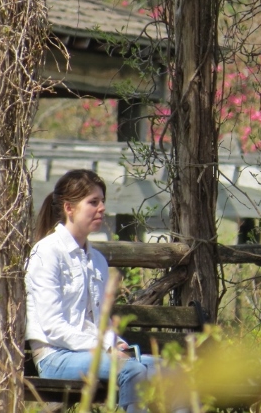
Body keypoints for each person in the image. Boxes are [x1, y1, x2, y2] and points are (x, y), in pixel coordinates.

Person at [24, 169, 157, 412]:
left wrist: (116, 344)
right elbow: (53, 326)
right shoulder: (46, 253)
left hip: (93, 353)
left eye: (102, 201)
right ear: (69, 208)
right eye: (93, 202)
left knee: (167, 369)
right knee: (132, 370)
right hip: (55, 356)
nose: (102, 208)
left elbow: (101, 323)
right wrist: (104, 348)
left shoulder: (97, 260)